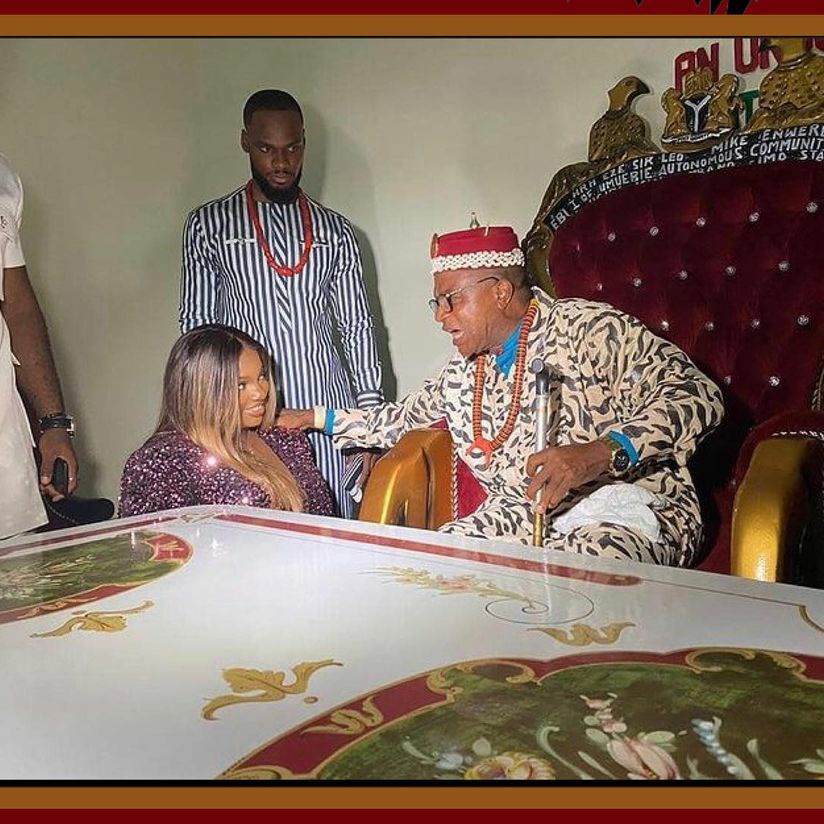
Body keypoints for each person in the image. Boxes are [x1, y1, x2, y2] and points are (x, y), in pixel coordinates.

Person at [279, 224, 725, 567]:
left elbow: (697, 395)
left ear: (500, 291)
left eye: (451, 300)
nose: (440, 317)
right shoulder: (462, 371)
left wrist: (600, 452)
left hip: (631, 508)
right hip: (524, 516)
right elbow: (398, 419)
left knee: (578, 577)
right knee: (438, 565)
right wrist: (311, 418)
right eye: (436, 303)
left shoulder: (589, 329)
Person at [180, 89, 384, 519]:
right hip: (247, 417)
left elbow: (357, 326)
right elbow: (198, 333)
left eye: (292, 148)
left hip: (329, 414)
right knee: (264, 531)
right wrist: (206, 421)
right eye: (266, 149)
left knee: (339, 530)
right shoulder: (208, 226)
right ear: (245, 142)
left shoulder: (336, 231)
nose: (281, 162)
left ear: (304, 143)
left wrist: (368, 422)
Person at [118, 325, 333, 518]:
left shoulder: (285, 437)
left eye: (262, 376)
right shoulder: (162, 461)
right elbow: (155, 545)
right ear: (202, 392)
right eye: (241, 385)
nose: (261, 392)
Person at [0, 152, 78, 541]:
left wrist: (53, 423)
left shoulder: (3, 180)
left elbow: (19, 309)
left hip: (5, 454)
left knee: (21, 574)